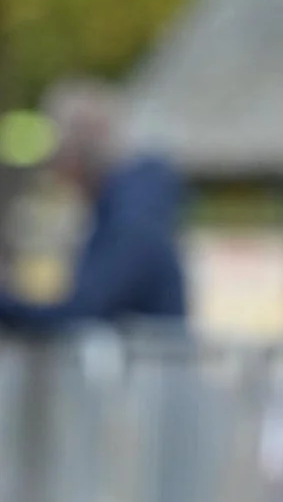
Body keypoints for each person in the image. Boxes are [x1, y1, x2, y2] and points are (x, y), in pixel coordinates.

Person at [0, 85, 187, 331]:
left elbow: (84, 311)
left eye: (57, 158)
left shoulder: (131, 220)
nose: (55, 173)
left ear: (75, 158)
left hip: (145, 366)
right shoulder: (131, 207)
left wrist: (8, 305)